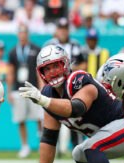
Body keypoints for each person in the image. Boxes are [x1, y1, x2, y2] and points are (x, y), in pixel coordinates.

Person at [44, 17, 87, 154]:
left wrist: (69, 70)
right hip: (54, 86)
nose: (63, 32)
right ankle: (54, 147)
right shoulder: (49, 45)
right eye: (60, 29)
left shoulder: (75, 45)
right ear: (57, 30)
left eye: (65, 29)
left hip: (71, 86)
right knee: (53, 114)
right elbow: (41, 68)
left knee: (74, 114)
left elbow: (83, 64)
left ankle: (77, 146)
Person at [7, 23, 42, 158]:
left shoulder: (36, 49)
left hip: (33, 87)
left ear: (27, 33)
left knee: (39, 118)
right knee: (20, 119)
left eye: (24, 32)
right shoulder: (13, 51)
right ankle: (25, 146)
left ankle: (41, 144)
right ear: (18, 34)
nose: (22, 35)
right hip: (18, 89)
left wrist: (41, 90)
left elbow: (39, 71)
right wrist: (9, 91)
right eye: (20, 32)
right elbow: (10, 71)